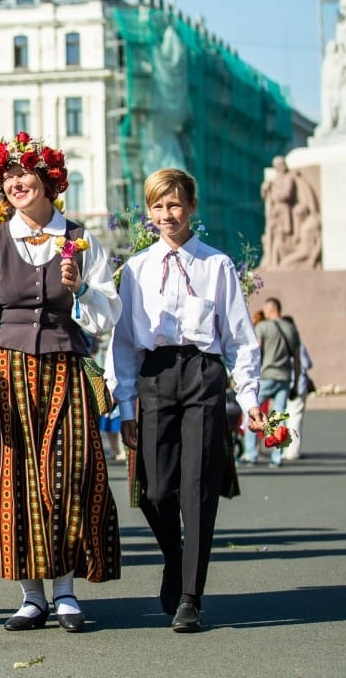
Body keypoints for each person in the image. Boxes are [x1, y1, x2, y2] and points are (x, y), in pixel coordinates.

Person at [0, 133, 121, 633]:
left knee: (69, 474)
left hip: (65, 368)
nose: (16, 183)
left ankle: (65, 591)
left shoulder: (81, 241)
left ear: (49, 181)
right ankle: (31, 595)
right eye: (8, 177)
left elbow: (107, 318)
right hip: (6, 373)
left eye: (25, 174)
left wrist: (79, 287)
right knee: (13, 477)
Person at [112, 168, 262, 634]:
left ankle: (191, 597)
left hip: (203, 374)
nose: (166, 215)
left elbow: (240, 338)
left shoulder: (216, 266)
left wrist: (251, 395)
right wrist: (126, 402)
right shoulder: (136, 268)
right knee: (156, 491)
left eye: (174, 205)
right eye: (157, 206)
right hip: (156, 376)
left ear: (191, 208)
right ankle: (175, 560)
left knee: (197, 489)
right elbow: (123, 342)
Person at [243, 298, 300, 468]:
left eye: (266, 308)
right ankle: (277, 456)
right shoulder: (291, 328)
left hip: (267, 375)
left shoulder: (263, 327)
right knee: (278, 416)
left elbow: (256, 352)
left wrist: (249, 375)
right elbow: (296, 359)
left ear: (271, 308)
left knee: (253, 412)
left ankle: (251, 453)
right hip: (284, 377)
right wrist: (295, 382)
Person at [282, 317, 313, 462]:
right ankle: (291, 451)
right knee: (295, 418)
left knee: (281, 416)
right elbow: (307, 364)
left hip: (281, 383)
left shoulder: (279, 341)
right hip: (297, 384)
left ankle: (280, 450)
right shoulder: (298, 344)